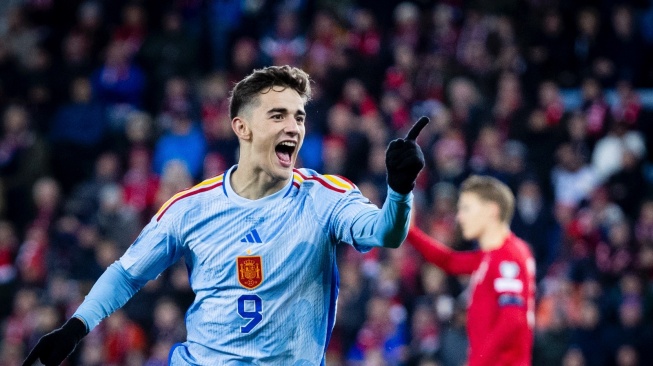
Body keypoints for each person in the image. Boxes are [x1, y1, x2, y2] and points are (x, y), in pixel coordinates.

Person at [23, 65, 429, 365]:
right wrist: (75, 328)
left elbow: (386, 234)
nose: (294, 127)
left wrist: (399, 188)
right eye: (278, 115)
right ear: (242, 127)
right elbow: (128, 273)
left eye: (299, 116)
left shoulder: (325, 197)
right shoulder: (190, 207)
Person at [407, 175, 535, 366]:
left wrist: (478, 362)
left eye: (466, 208)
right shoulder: (490, 256)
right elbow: (449, 261)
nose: (459, 216)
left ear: (492, 211)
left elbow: (512, 318)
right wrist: (411, 233)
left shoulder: (508, 255)